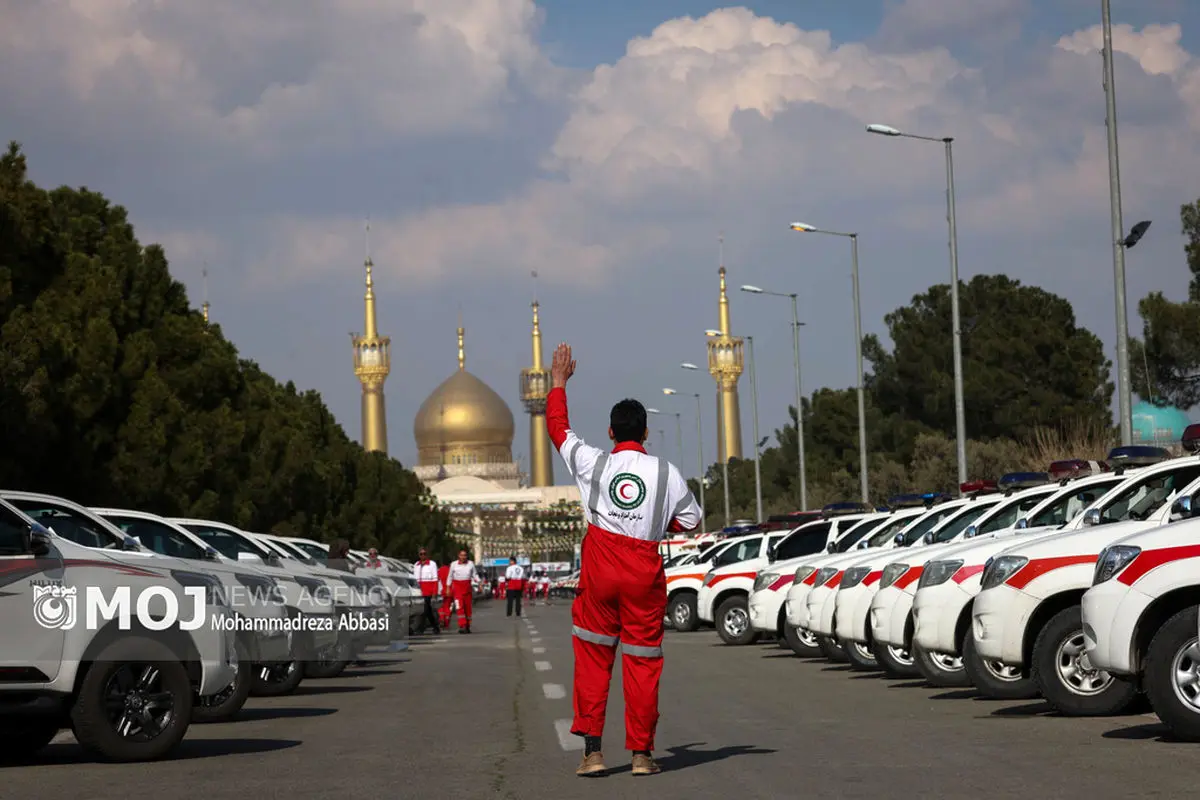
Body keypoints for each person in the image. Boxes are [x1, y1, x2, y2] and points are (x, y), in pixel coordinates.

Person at [546, 342, 701, 778]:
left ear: (610, 433)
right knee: (642, 663)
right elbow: (690, 520)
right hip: (643, 575)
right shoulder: (666, 473)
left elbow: (558, 429)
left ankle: (593, 753)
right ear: (646, 433)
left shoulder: (592, 463)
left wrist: (559, 383)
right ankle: (641, 755)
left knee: (594, 660)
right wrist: (656, 527)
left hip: (599, 571)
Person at [446, 549, 477, 633]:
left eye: (465, 555)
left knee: (468, 609)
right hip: (457, 589)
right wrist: (448, 588)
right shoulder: (453, 564)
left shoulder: (470, 564)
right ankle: (462, 625)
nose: (463, 557)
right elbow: (450, 577)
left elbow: (475, 575)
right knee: (459, 607)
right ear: (458, 556)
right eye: (461, 555)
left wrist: (480, 583)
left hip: (467, 588)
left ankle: (467, 625)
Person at [412, 548, 441, 635]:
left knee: (425, 610)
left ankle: (421, 628)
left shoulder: (432, 564)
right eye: (421, 554)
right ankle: (434, 626)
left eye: (424, 554)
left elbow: (435, 579)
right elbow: (414, 579)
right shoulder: (416, 565)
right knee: (425, 611)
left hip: (428, 591)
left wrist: (434, 593)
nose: (423, 555)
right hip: (419, 592)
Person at [438, 561, 455, 630]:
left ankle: (442, 618)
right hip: (449, 591)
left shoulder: (439, 570)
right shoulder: (451, 571)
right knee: (447, 607)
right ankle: (446, 622)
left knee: (441, 606)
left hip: (441, 591)